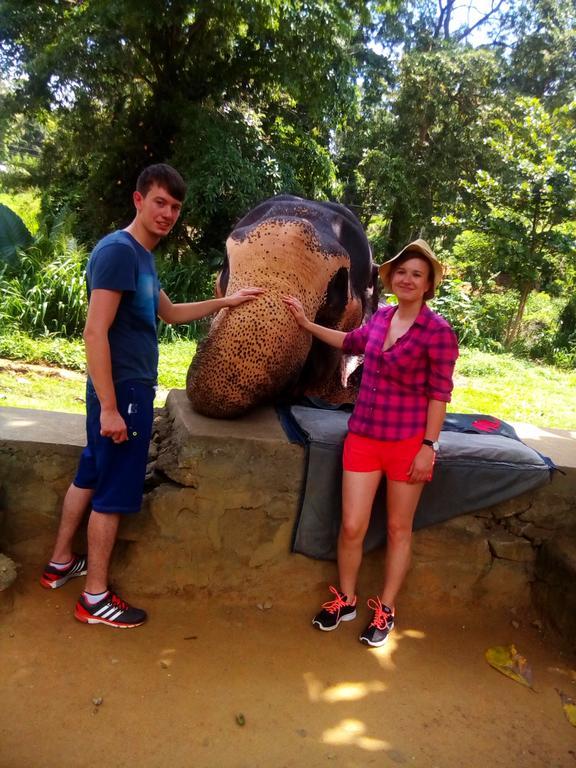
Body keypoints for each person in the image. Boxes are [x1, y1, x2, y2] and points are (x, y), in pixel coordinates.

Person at [40, 163, 263, 628]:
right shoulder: (120, 252)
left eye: (175, 207)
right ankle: (95, 598)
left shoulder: (141, 257)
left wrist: (225, 302)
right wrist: (109, 408)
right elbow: (94, 332)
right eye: (160, 202)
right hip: (122, 391)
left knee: (90, 473)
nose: (168, 213)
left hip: (120, 388)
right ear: (138, 200)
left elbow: (171, 313)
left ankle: (60, 560)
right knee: (115, 490)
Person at [283, 239, 458, 647]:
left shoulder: (439, 332)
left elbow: (439, 395)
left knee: (399, 529)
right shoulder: (380, 318)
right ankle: (345, 599)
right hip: (363, 436)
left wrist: (428, 446)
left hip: (406, 443)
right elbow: (349, 342)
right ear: (391, 278)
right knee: (351, 526)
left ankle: (387, 608)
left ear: (429, 283)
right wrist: (307, 325)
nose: (408, 278)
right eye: (402, 272)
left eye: (417, 273)